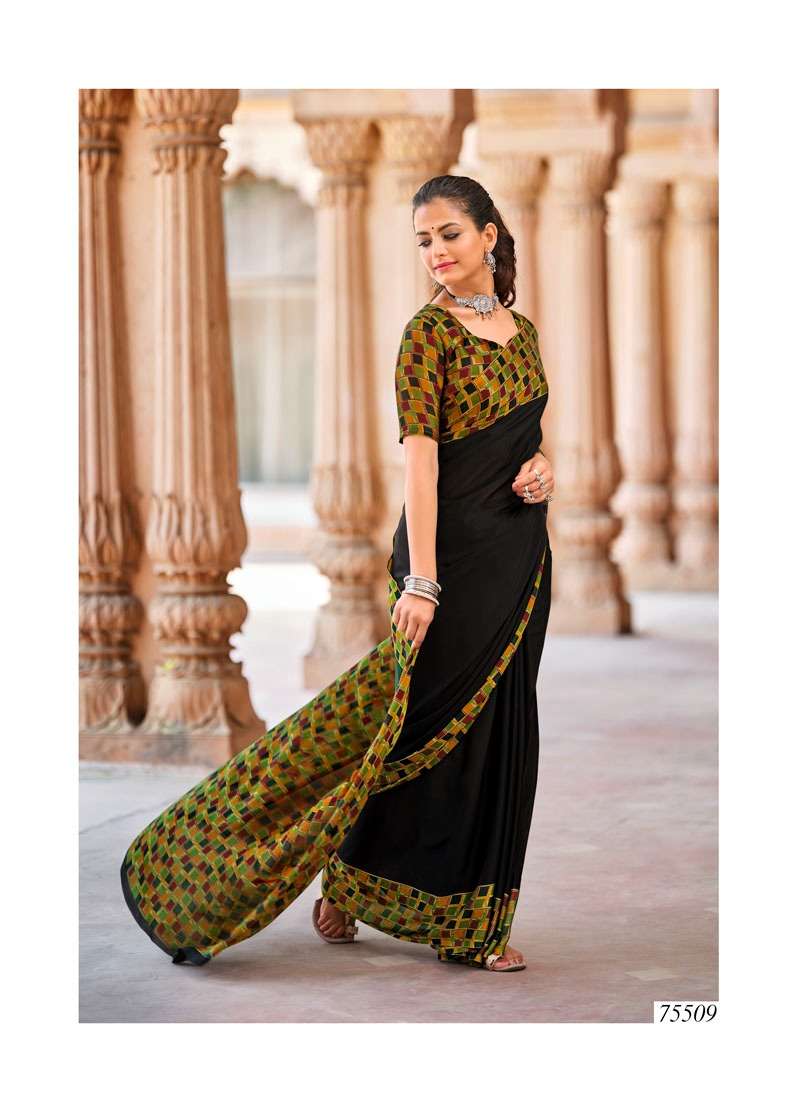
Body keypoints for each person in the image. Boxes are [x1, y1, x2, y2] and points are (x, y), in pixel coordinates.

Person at [120, 174, 554, 974]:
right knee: (403, 728)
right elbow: (422, 467)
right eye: (424, 240)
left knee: (497, 734)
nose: (436, 252)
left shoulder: (521, 334)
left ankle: (473, 922)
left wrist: (542, 468)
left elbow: (521, 438)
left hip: (520, 560)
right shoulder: (426, 336)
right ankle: (334, 874)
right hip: (446, 563)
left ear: (490, 235)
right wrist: (422, 581)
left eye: (450, 234)